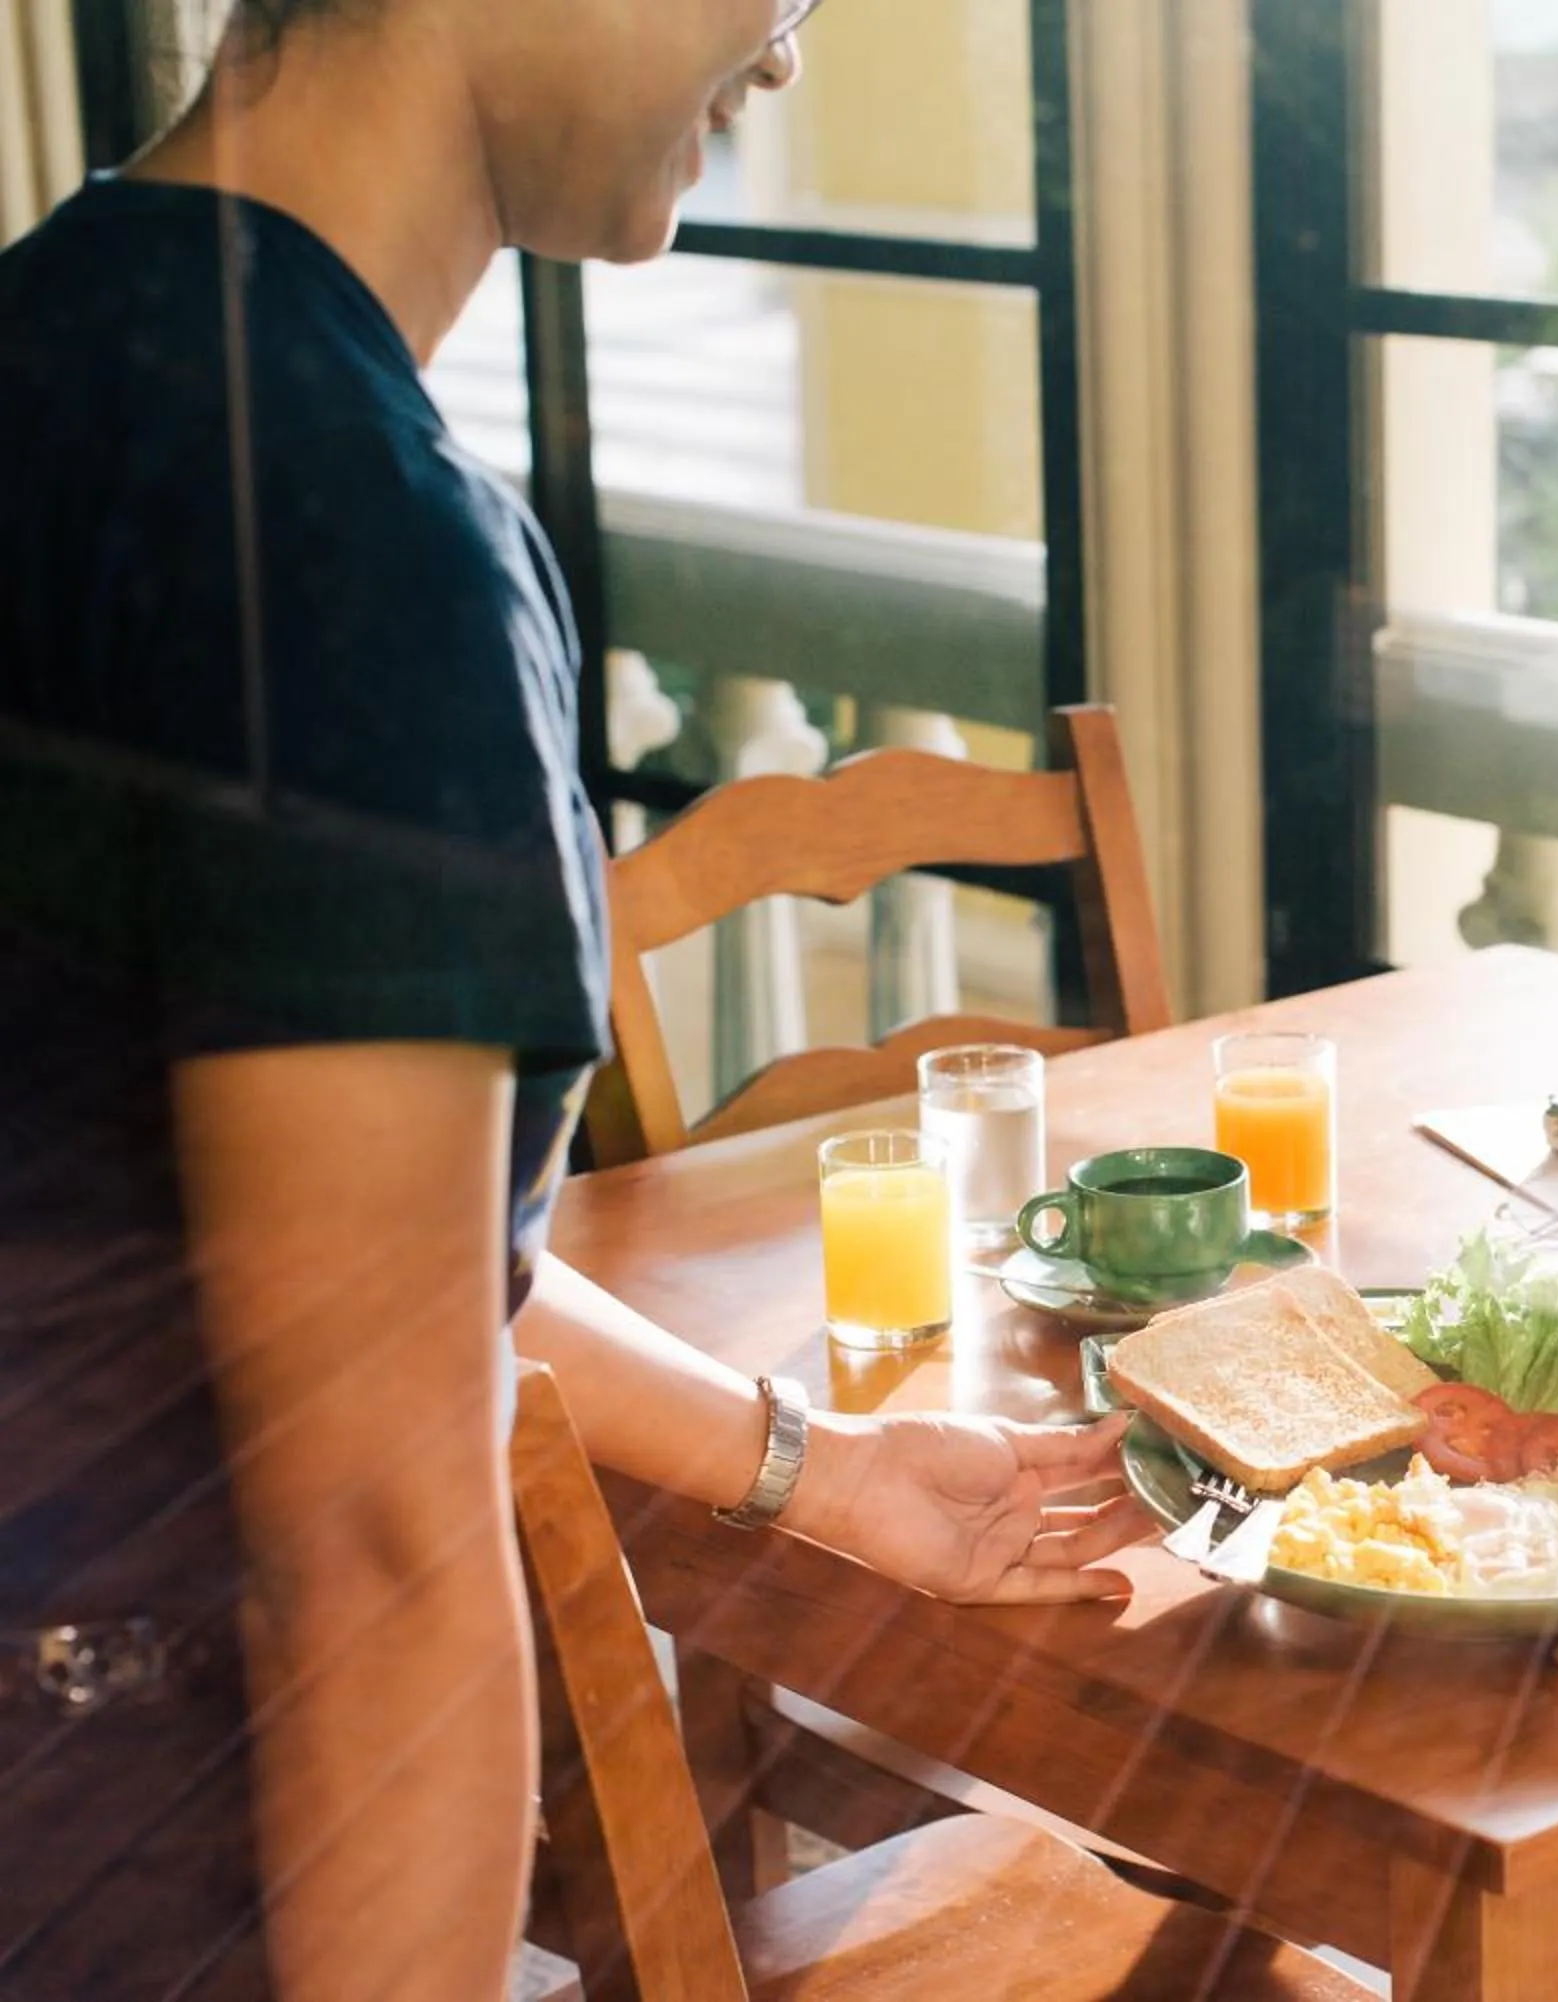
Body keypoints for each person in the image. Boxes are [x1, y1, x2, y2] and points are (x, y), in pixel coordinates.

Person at [0, 4, 1143, 1997]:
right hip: (128, 1851)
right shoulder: (352, 528)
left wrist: (825, 1467)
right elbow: (371, 1538)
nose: (787, 53)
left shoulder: (63, 334)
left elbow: (368, 1266)